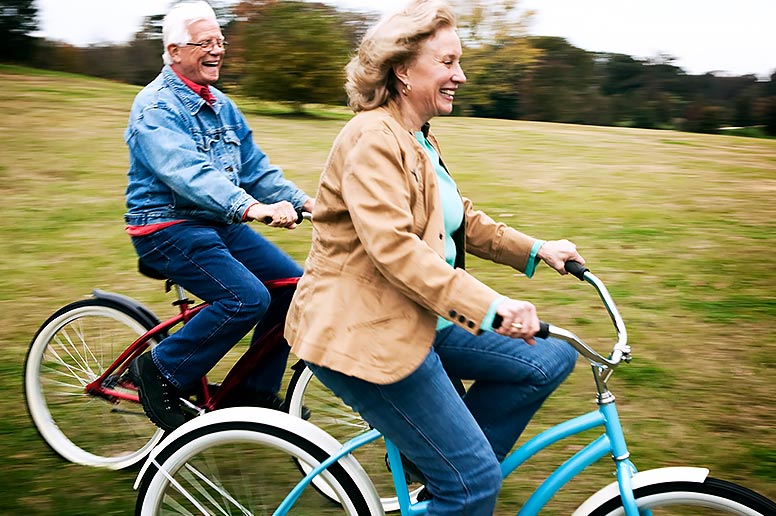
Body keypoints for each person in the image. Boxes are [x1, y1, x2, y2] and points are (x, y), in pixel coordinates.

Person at [284, 0, 584, 513]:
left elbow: (457, 217)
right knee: (473, 484)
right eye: (447, 62)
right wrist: (493, 306)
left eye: (458, 62)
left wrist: (536, 250)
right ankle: (457, 477)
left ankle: (438, 464)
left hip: (419, 316)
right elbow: (396, 250)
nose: (460, 75)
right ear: (402, 69)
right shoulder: (371, 139)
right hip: (366, 329)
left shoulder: (418, 137)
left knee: (553, 355)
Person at [125, 1, 314, 432]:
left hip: (218, 226)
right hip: (166, 227)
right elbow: (187, 173)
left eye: (220, 40)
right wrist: (252, 208)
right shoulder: (155, 107)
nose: (217, 49)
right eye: (204, 42)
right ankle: (159, 370)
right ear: (174, 51)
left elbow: (256, 169)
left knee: (294, 289)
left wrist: (308, 204)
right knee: (247, 298)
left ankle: (252, 393)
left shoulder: (223, 106)